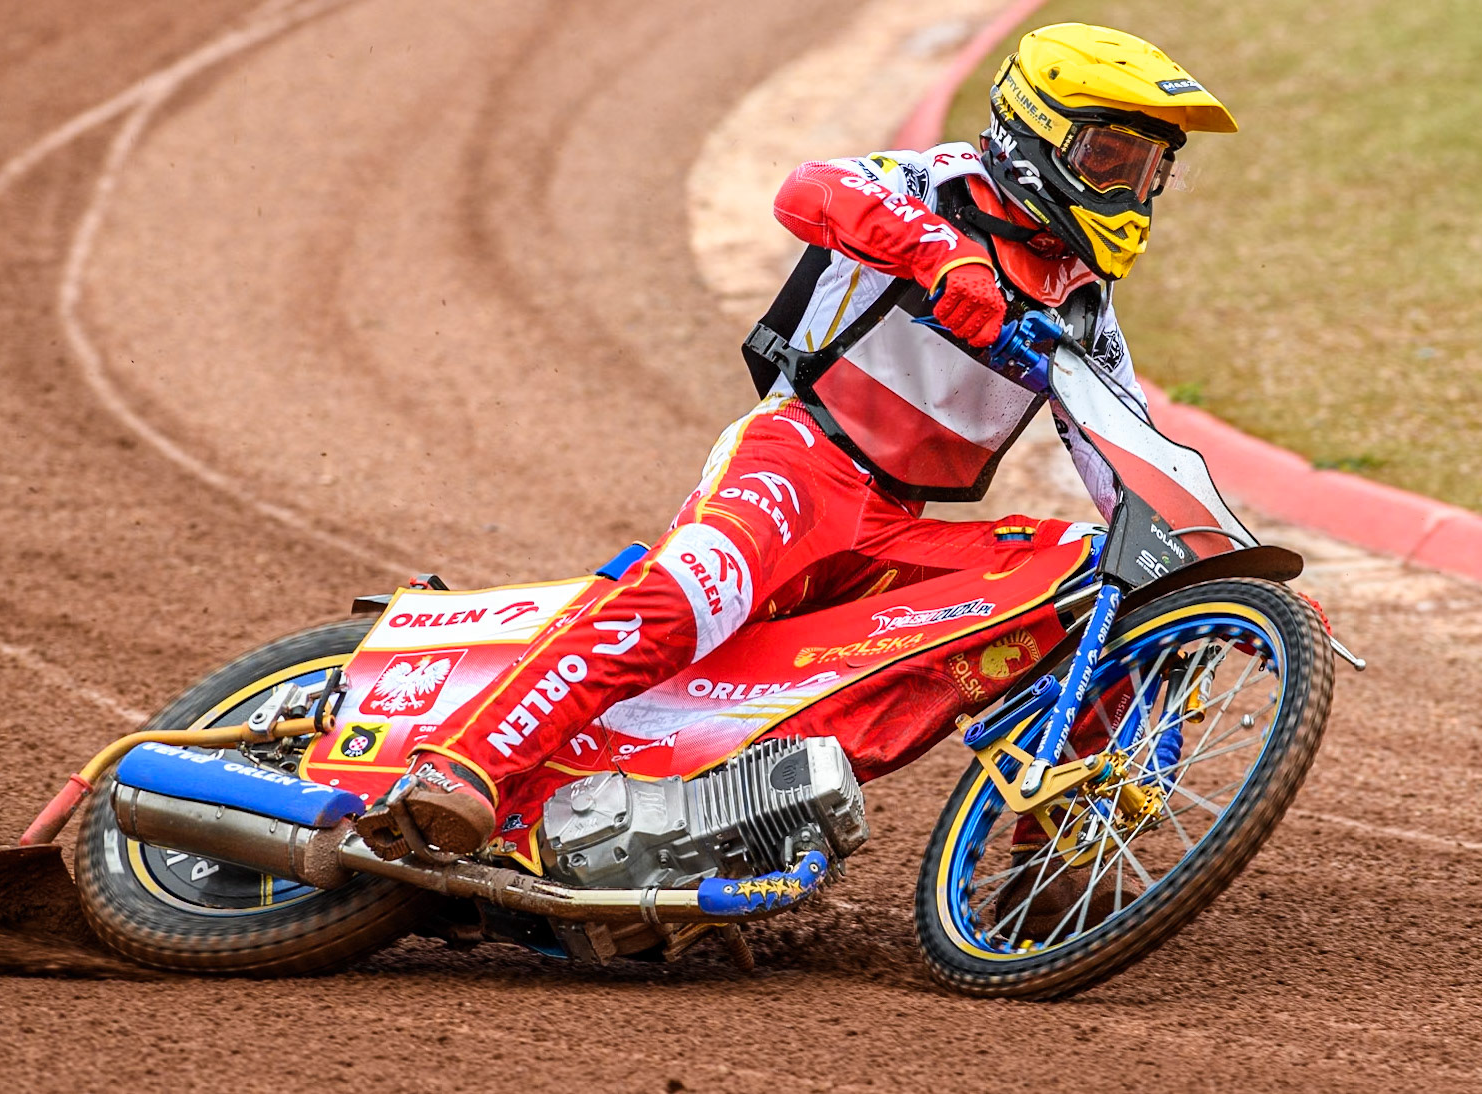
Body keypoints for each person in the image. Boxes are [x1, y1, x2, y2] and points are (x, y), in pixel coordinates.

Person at [356, 22, 1237, 861]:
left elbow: (1127, 461)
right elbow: (809, 190)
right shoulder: (934, 185)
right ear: (1035, 133)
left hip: (893, 529)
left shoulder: (1085, 307)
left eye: (1149, 169)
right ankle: (463, 765)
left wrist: (1225, 577)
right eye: (1109, 158)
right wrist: (939, 257)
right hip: (797, 459)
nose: (1130, 190)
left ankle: (1054, 862)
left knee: (1101, 578)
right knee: (695, 587)